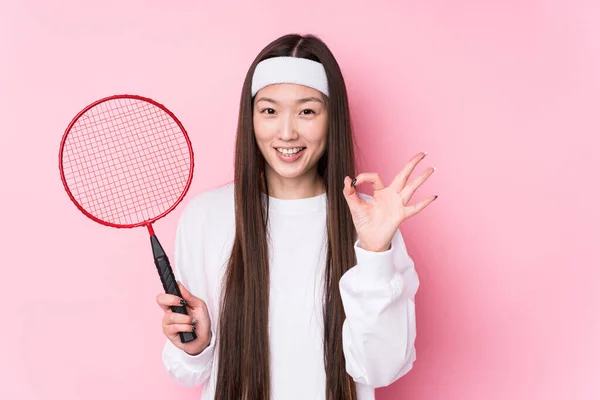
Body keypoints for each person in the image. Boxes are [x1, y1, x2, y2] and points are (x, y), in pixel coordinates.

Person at [156, 33, 436, 400]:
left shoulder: (370, 221)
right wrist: (196, 344)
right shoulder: (208, 216)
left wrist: (374, 251)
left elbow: (380, 368)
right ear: (251, 117)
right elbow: (188, 372)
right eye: (269, 111)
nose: (286, 133)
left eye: (307, 111)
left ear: (330, 118)